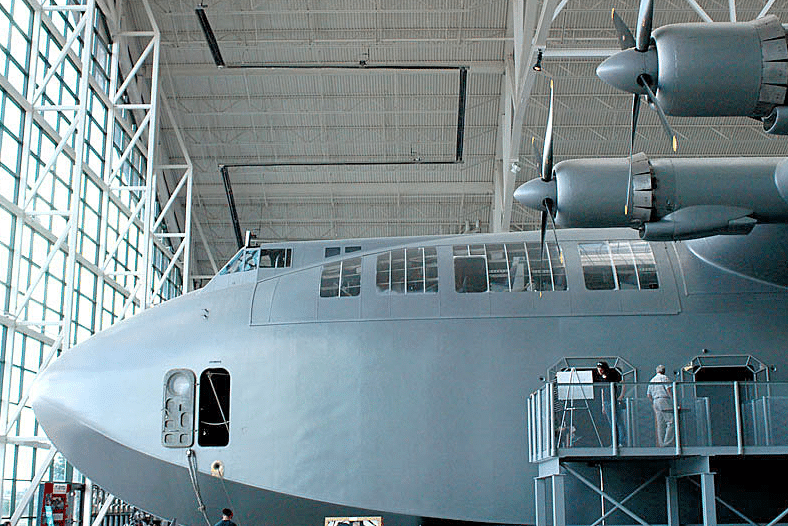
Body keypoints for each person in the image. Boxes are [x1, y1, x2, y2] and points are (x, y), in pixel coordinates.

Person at [594, 361, 626, 446]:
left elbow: (622, 383)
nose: (599, 370)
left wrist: (621, 396)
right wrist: (603, 405)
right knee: (612, 422)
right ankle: (614, 442)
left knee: (618, 421)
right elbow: (602, 392)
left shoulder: (612, 375)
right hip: (607, 402)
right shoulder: (601, 378)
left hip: (614, 401)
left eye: (601, 368)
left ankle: (621, 441)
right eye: (598, 369)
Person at [647, 364, 675, 447]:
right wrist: (673, 400)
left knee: (660, 423)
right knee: (671, 421)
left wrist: (652, 403)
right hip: (664, 399)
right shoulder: (664, 378)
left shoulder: (652, 380)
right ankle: (667, 442)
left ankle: (661, 443)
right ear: (664, 371)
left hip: (655, 401)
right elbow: (668, 389)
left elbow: (648, 395)